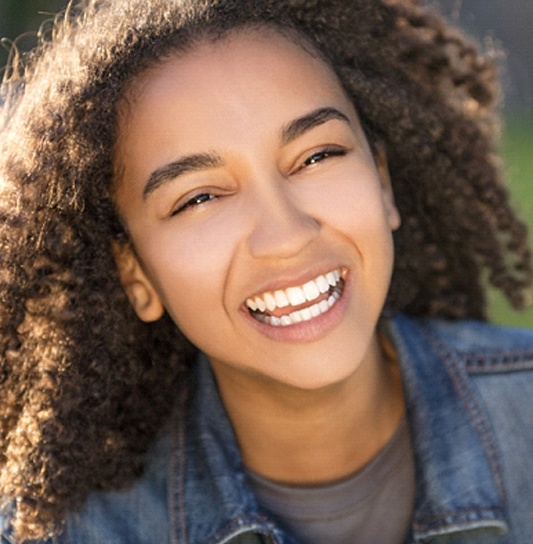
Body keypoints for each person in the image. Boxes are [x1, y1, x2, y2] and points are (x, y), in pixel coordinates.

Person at [1, 0, 533, 542]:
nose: (287, 235)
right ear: (135, 273)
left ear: (382, 182)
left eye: (317, 156)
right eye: (200, 197)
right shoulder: (65, 532)